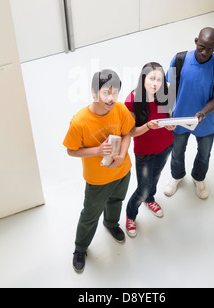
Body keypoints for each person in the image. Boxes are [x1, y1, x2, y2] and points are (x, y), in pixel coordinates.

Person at [63, 69, 135, 273]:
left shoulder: (120, 109)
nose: (111, 98)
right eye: (106, 92)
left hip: (122, 171)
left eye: (115, 92)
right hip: (98, 179)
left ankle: (111, 223)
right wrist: (96, 150)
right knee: (90, 215)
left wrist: (122, 154)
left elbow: (127, 133)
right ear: (94, 92)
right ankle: (80, 248)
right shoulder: (79, 121)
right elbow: (70, 150)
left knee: (116, 201)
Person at [164, 28, 214, 199]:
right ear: (195, 41)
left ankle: (199, 179)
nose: (204, 52)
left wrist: (202, 113)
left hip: (205, 122)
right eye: (201, 47)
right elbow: (169, 88)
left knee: (204, 154)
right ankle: (176, 176)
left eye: (210, 48)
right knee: (177, 151)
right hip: (179, 119)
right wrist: (167, 113)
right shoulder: (178, 59)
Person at [124, 62, 175, 237]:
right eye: (151, 78)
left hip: (165, 145)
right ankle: (131, 214)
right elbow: (130, 132)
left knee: (155, 177)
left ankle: (149, 199)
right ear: (143, 78)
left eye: (159, 80)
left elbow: (166, 117)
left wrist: (171, 125)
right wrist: (147, 126)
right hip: (144, 152)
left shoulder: (164, 95)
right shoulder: (132, 101)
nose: (155, 84)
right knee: (143, 187)